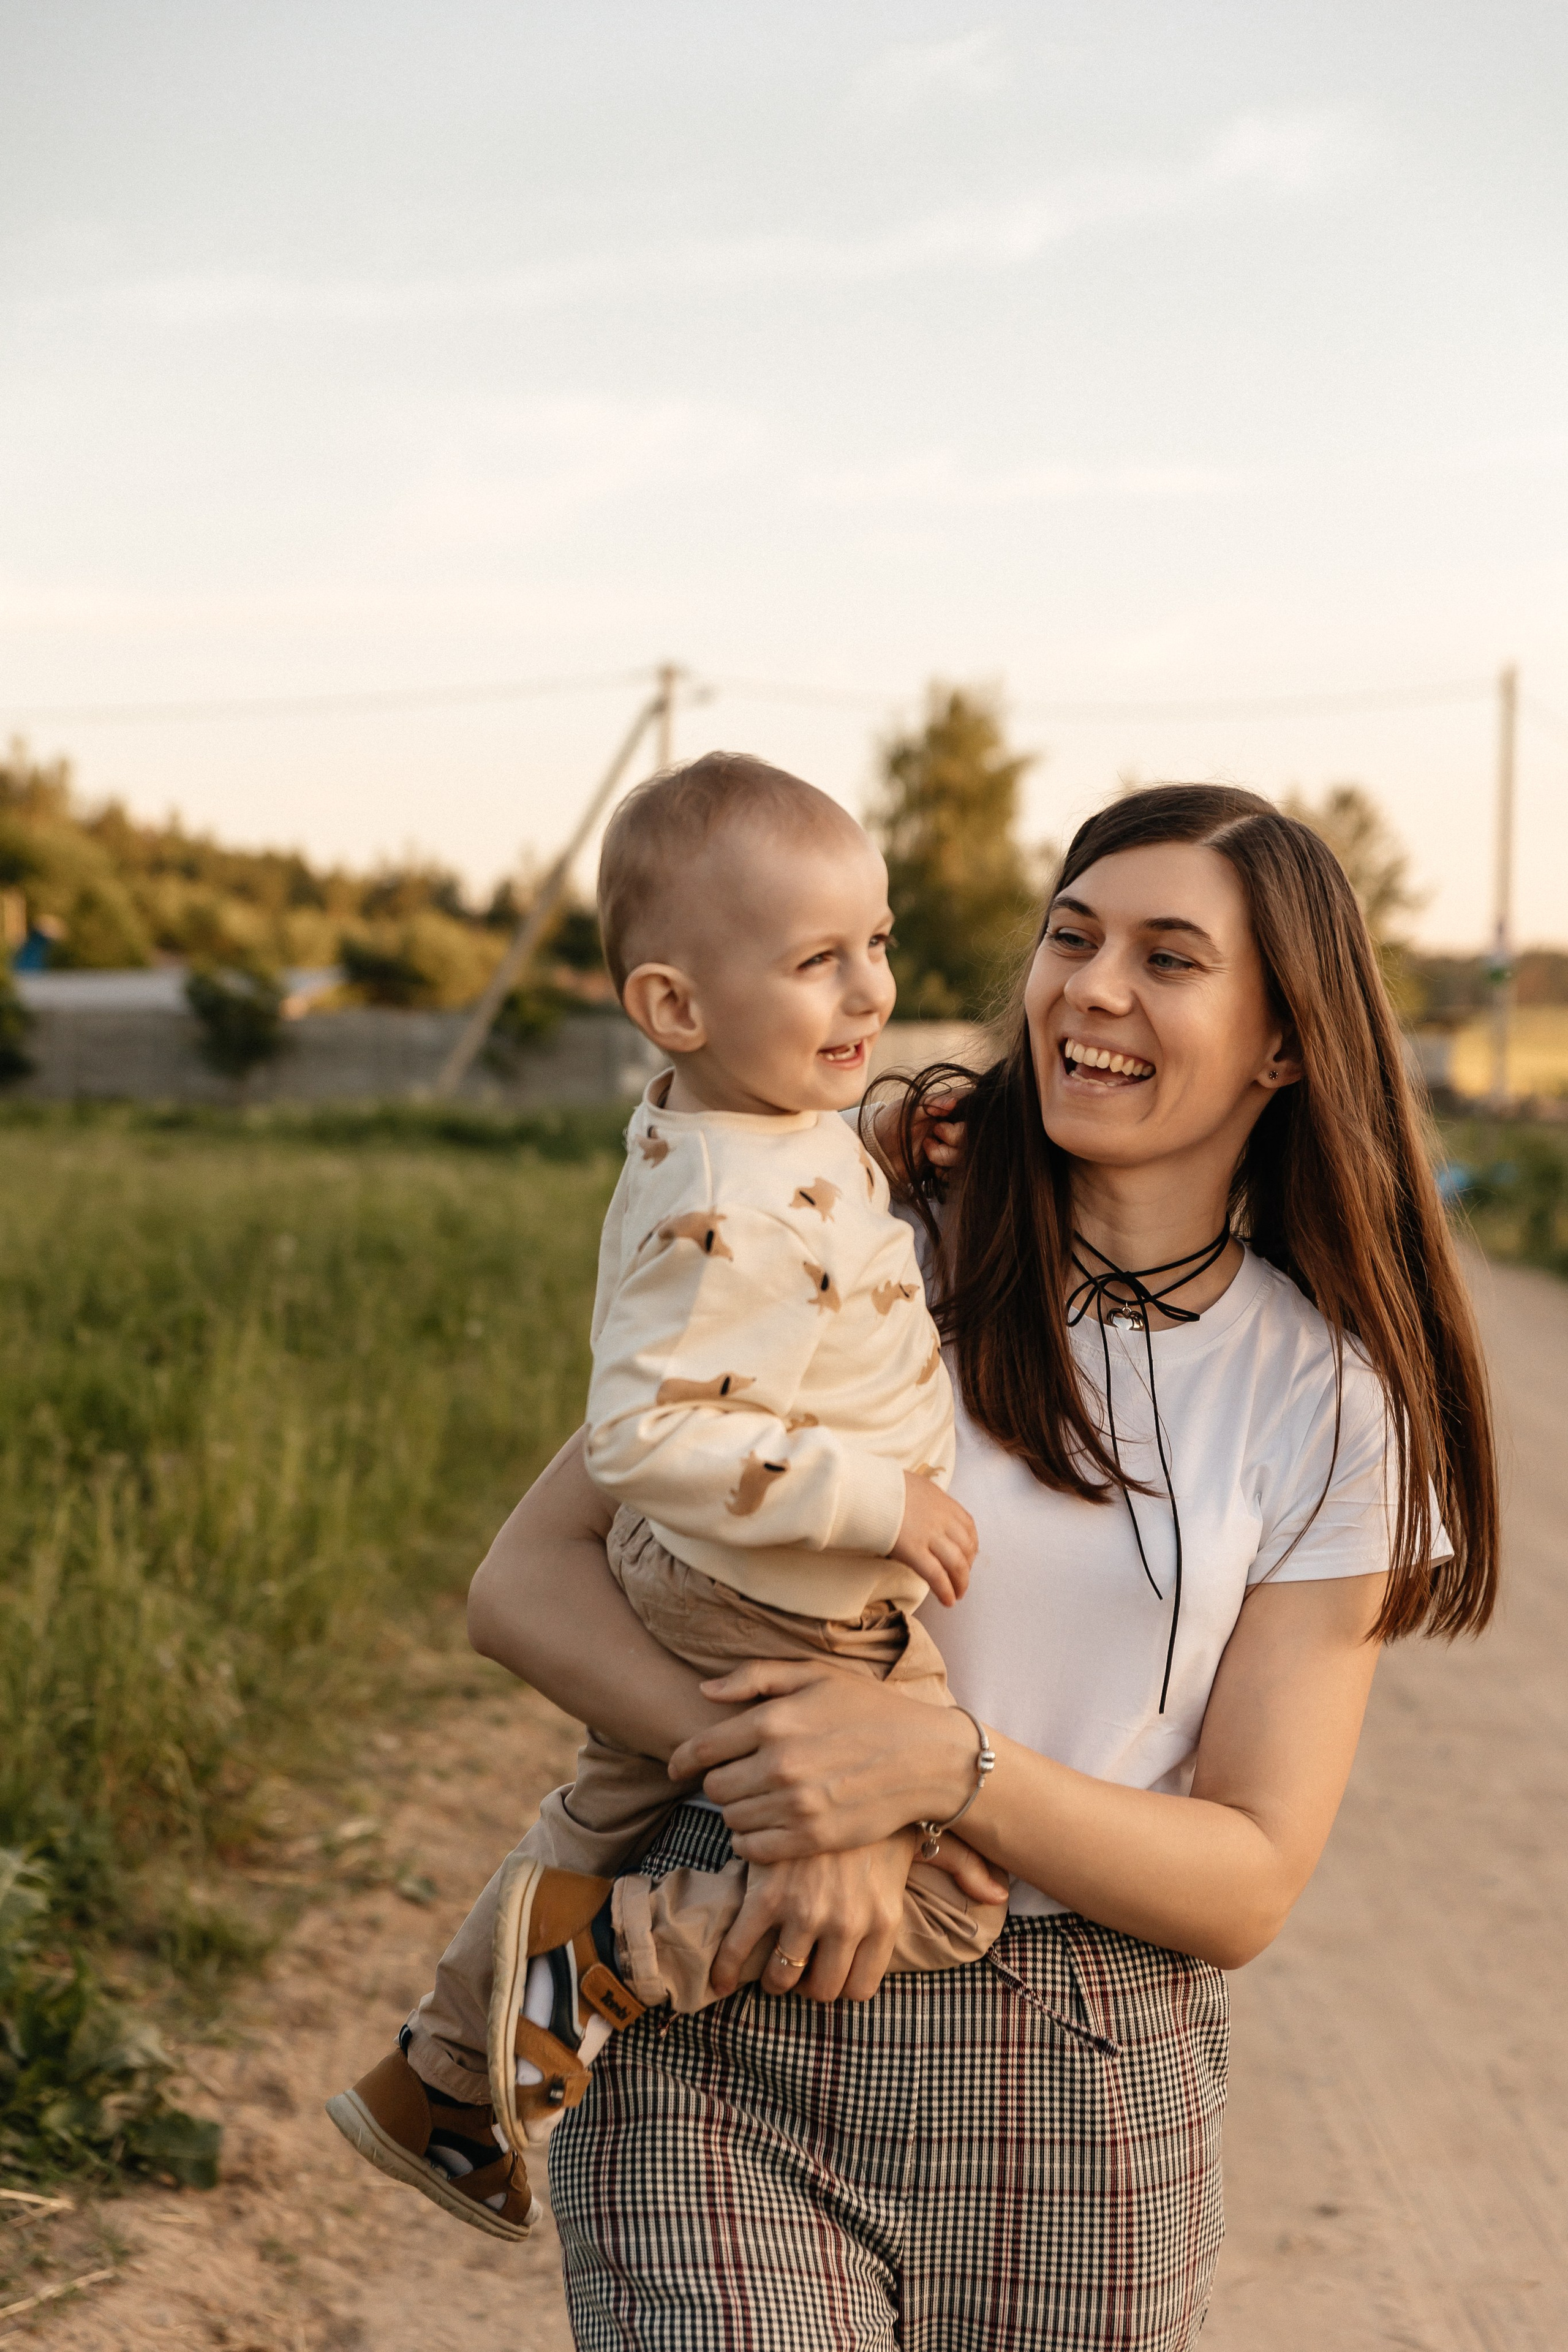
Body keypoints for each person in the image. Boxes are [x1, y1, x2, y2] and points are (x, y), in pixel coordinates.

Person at [454, 783, 1498, 2350]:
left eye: (1167, 957)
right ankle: (472, 2052)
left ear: (1283, 1043)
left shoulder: (1328, 1401)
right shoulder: (856, 1227)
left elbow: (1248, 1877)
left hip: (1077, 2082)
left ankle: (469, 2053)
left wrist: (937, 1766)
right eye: (1069, 936)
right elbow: (525, 1582)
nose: (1091, 985)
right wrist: (782, 1788)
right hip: (723, 2024)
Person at [326, 753, 1007, 2239]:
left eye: (876, 944)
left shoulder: (748, 1123)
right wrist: (871, 1500)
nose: (871, 993)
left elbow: (793, 1219)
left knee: (609, 1787)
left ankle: (439, 2080)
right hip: (790, 1591)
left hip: (697, 1570)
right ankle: (603, 1958)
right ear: (673, 1009)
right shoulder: (730, 1203)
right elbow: (639, 1433)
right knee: (947, 1884)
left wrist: (886, 1147)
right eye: (819, 962)